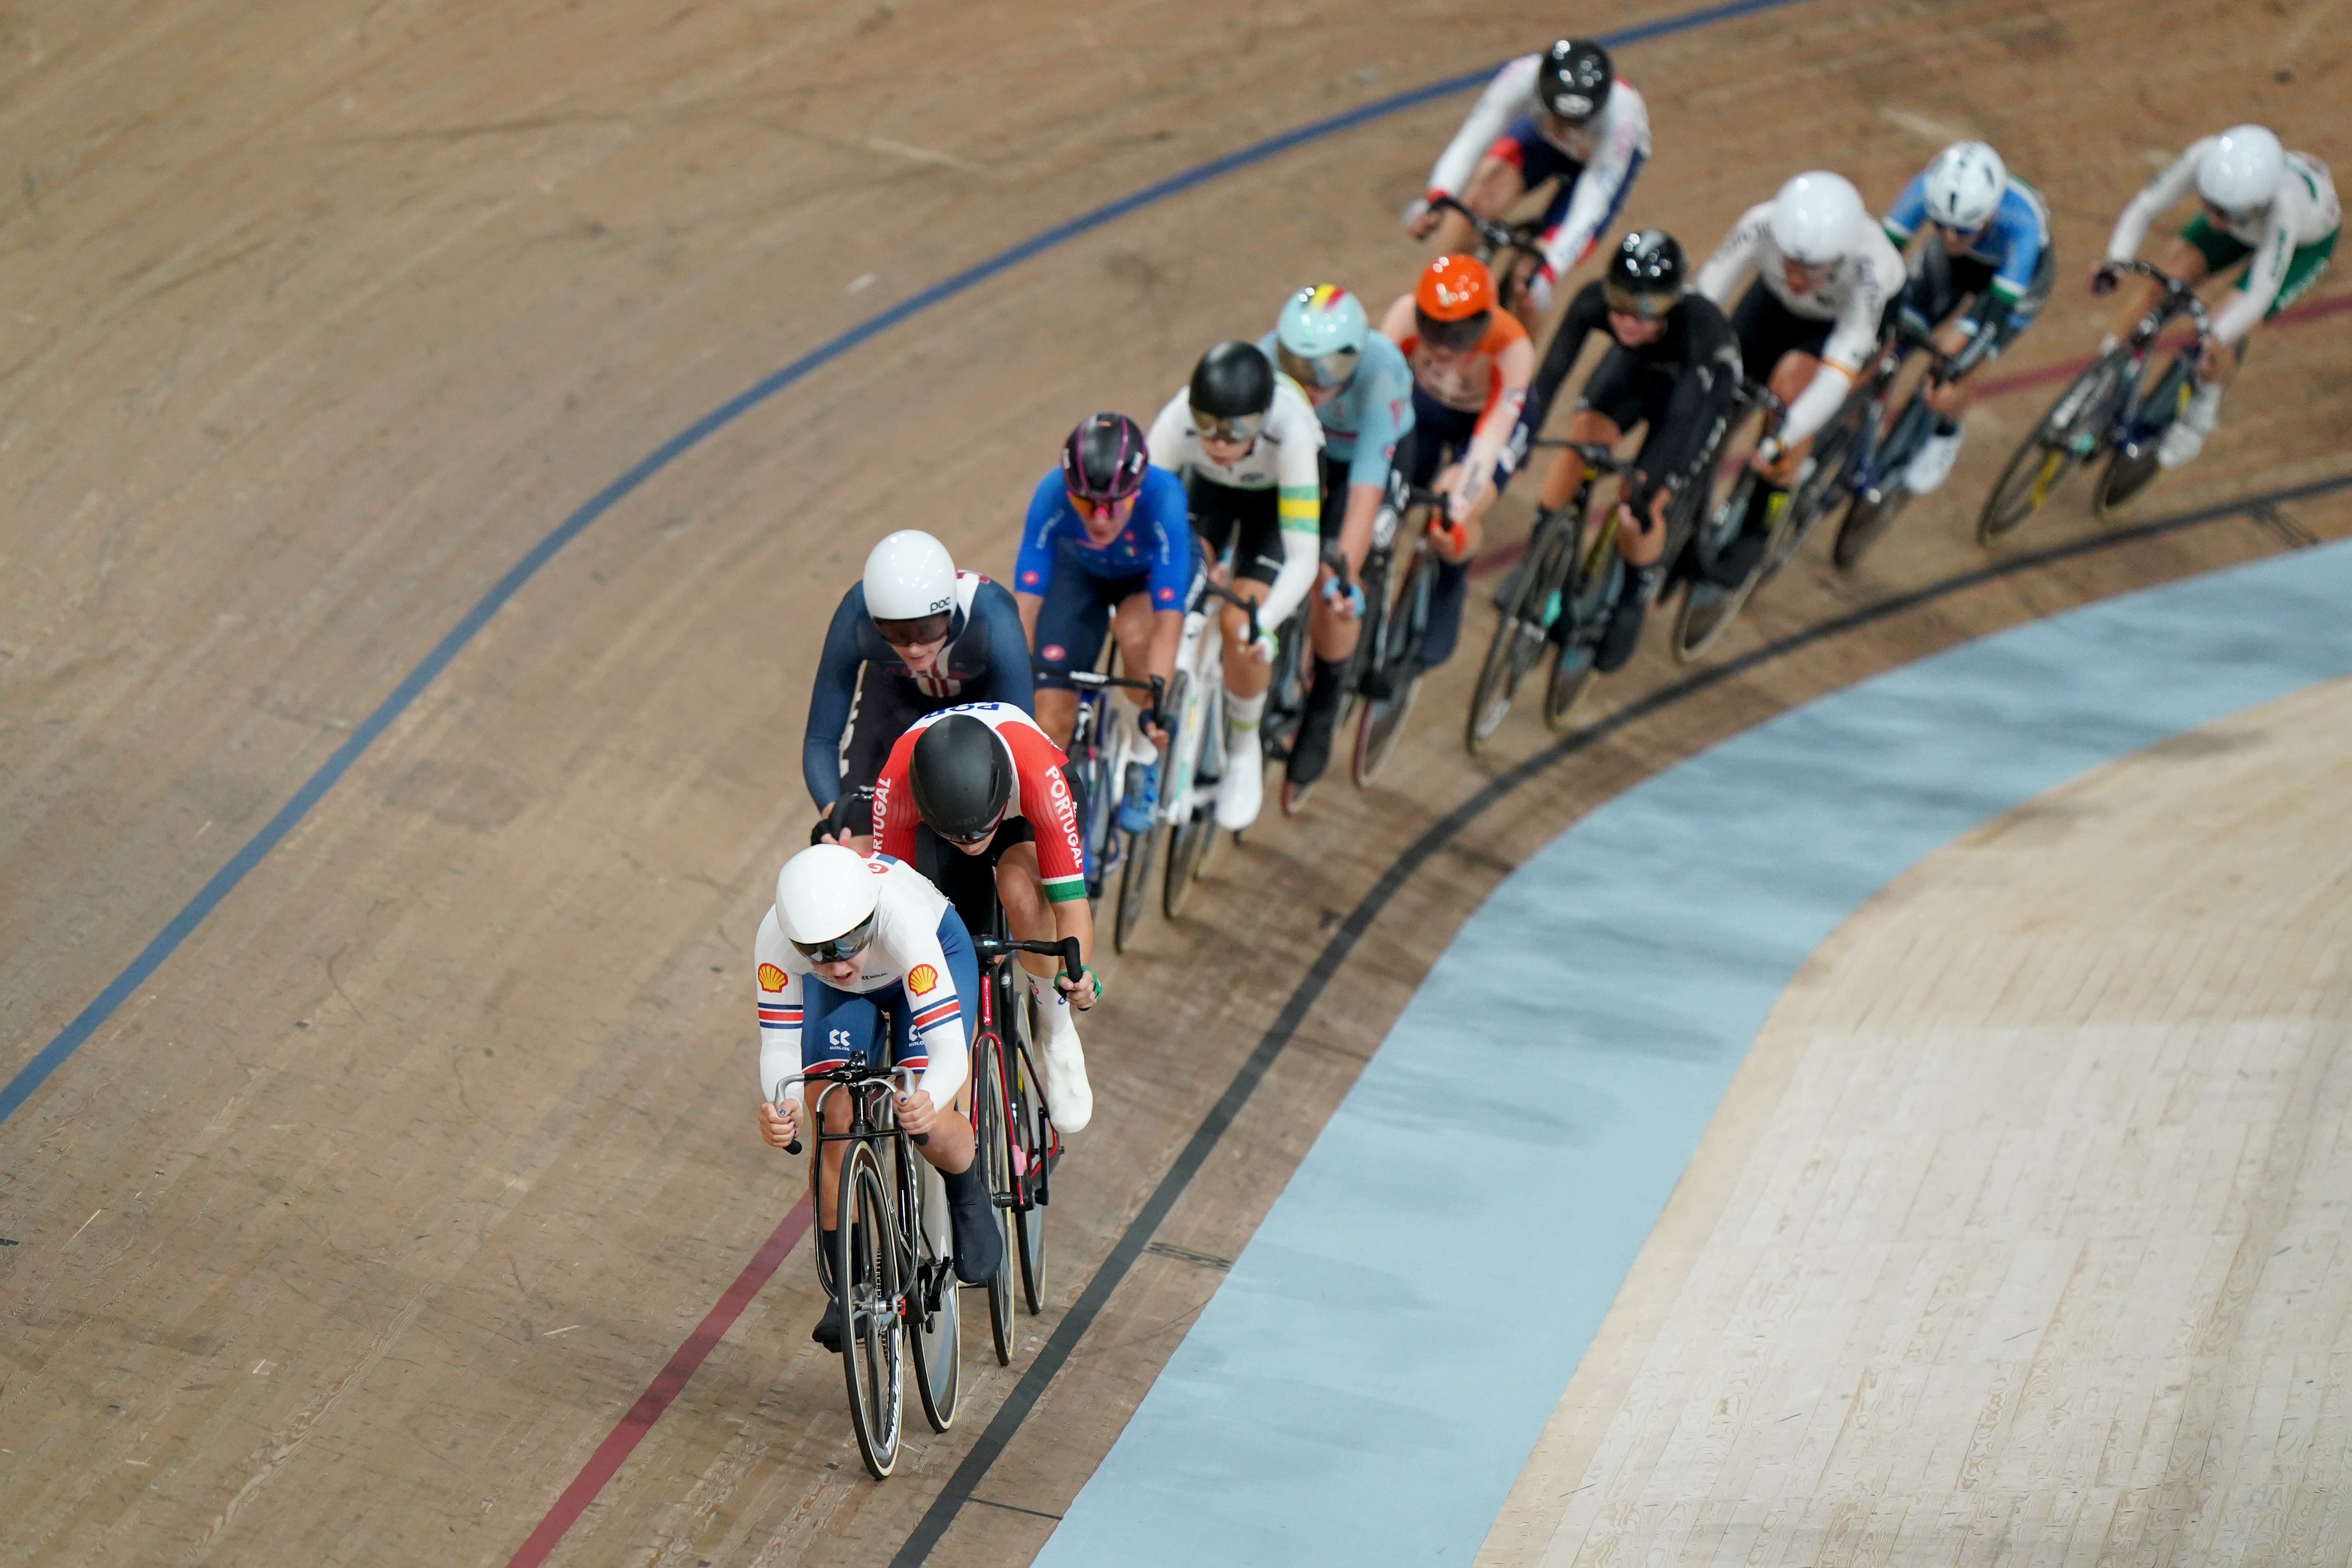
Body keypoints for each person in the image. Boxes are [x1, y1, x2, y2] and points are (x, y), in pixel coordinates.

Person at [754, 844, 1002, 1351]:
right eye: (818, 951)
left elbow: (948, 1051)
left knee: (927, 1119)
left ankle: (966, 1191)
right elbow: (778, 1044)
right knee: (834, 1121)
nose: (836, 962)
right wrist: (785, 1107)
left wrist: (928, 1095)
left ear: (869, 919)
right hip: (847, 1001)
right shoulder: (777, 941)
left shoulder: (903, 921)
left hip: (931, 955)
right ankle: (847, 1286)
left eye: (848, 943)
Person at [1502, 229, 1742, 669]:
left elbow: (1682, 421)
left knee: (1638, 508)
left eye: (1645, 308)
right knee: (1580, 444)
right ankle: (1542, 557)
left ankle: (1633, 597)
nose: (1627, 319)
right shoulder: (1598, 304)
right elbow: (1551, 374)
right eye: (1620, 301)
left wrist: (1646, 491)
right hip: (1638, 369)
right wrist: (1519, 440)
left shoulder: (1697, 332)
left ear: (1671, 303)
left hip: (1698, 397)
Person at [871, 705, 1100, 1131]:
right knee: (936, 929)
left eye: (978, 832)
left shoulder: (1039, 778)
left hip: (1026, 815)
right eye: (960, 835)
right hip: (934, 825)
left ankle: (1055, 1028)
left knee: (1019, 885)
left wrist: (1078, 975)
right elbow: (893, 907)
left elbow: (1069, 905)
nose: (971, 843)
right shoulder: (897, 786)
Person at [1145, 342, 1323, 829]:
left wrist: (1261, 624)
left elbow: (1303, 559)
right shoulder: (1178, 419)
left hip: (1274, 505)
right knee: (1170, 591)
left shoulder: (1292, 434)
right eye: (1209, 426)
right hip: (1211, 491)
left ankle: (1243, 750)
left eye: (1236, 430)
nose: (1220, 443)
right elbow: (1138, 518)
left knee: (1239, 623)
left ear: (1262, 420)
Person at [1695, 171, 1905, 578]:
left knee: (1791, 389)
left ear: (1840, 257)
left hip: (1843, 325)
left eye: (1809, 271)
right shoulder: (1760, 224)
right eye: (1789, 263)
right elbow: (1703, 304)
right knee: (1720, 373)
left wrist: (1782, 441)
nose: (1795, 278)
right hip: (1776, 308)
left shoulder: (1870, 272)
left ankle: (1761, 522)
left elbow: (1834, 379)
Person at [2094, 125, 2339, 469]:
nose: (2211, 220)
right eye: (2208, 206)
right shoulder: (2205, 156)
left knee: (2222, 330)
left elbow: (2260, 291)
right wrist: (2116, 263)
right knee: (2161, 282)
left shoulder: (2285, 208)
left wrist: (2214, 335)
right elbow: (2143, 208)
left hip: (2301, 247)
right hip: (2248, 225)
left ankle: (2200, 414)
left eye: (2223, 213)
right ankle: (2100, 374)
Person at [1257, 284, 1416, 807]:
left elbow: (1366, 494)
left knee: (1332, 580)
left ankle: (1325, 703)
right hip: (1304, 453)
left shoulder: (1380, 375)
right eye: (1297, 366)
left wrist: (1341, 576)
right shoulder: (1260, 362)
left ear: (1351, 361)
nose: (1308, 383)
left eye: (1324, 371)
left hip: (1366, 463)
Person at [1013, 413, 1196, 832]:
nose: (1098, 518)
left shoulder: (1164, 496)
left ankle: (1143, 761)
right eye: (1083, 503)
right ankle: (1047, 824)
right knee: (1046, 715)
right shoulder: (1050, 494)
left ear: (1135, 491)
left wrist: (1159, 705)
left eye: (1112, 505)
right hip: (1080, 575)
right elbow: (1024, 607)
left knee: (1137, 640)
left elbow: (1168, 621)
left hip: (1143, 580)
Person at [804, 529, 1032, 850]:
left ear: (950, 611)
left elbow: (1021, 740)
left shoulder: (992, 617)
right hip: (894, 699)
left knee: (986, 842)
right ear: (874, 621)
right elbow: (821, 738)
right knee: (858, 848)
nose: (913, 648)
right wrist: (835, 814)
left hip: (981, 704)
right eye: (895, 633)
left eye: (929, 629)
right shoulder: (855, 613)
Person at [1403, 39, 1651, 321]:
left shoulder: (1622, 119)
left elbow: (1590, 208)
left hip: (1598, 166)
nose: (1565, 130)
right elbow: (1471, 141)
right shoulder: (1521, 76)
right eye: (1557, 117)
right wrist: (1436, 199)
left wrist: (1549, 270)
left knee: (1529, 280)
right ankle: (1431, 304)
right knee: (1474, 205)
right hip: (1540, 142)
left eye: (1577, 123)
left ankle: (1517, 355)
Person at [1377, 253, 1534, 674]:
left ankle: (1448, 587)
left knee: (1450, 516)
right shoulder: (1404, 315)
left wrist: (1455, 505)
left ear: (1485, 322)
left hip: (1487, 425)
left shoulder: (1511, 345)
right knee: (1380, 488)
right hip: (1428, 409)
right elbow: (1374, 399)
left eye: (1459, 333)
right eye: (1436, 329)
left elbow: (1488, 444)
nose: (1444, 345)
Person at [1878, 141, 2055, 493]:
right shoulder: (1925, 192)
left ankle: (1947, 431)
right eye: (1939, 224)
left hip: (2011, 284)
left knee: (1950, 372)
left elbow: (1995, 312)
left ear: (1988, 215)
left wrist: (1957, 348)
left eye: (1961, 229)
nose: (1948, 236)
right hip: (1954, 267)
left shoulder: (2022, 221)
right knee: (1884, 339)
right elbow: (1879, 257)